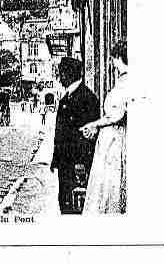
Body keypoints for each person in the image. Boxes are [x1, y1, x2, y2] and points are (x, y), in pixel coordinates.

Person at [80, 40, 128, 214]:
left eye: (113, 59)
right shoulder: (122, 81)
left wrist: (94, 124)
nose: (112, 64)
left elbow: (116, 115)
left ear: (118, 57)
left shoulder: (126, 82)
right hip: (110, 139)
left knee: (111, 183)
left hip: (115, 141)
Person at [51, 57, 100, 214]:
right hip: (65, 163)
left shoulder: (87, 98)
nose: (59, 77)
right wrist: (55, 159)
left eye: (61, 73)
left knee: (76, 205)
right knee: (65, 201)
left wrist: (81, 163)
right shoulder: (67, 97)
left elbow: (87, 135)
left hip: (77, 164)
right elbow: (60, 133)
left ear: (68, 74)